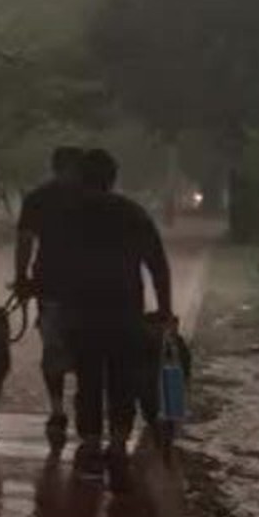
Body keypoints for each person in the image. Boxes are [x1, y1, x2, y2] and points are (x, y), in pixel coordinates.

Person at [66, 148, 174, 491]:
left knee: (88, 378)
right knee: (122, 377)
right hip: (125, 310)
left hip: (81, 312)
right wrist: (165, 310)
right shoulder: (133, 213)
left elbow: (54, 263)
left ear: (80, 179)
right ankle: (117, 443)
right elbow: (157, 264)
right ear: (113, 179)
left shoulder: (71, 213)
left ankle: (92, 443)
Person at [14, 146, 84, 446]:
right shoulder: (93, 199)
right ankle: (68, 409)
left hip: (55, 285)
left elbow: (25, 242)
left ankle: (60, 410)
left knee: (58, 350)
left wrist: (22, 279)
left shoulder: (38, 199)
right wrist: (22, 278)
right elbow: (25, 242)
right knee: (74, 350)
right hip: (78, 288)